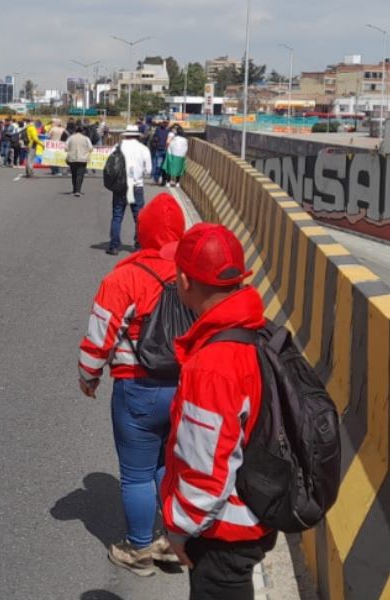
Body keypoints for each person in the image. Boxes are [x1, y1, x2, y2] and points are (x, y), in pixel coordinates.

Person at [159, 223, 275, 600]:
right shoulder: (255, 330)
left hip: (222, 534)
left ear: (185, 281)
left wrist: (179, 529)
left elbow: (205, 472)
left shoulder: (211, 365)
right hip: (252, 519)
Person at [78, 194, 187, 576]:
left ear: (143, 232)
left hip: (138, 387)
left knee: (138, 472)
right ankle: (173, 542)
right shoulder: (193, 272)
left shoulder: (125, 276)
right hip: (186, 388)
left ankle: (139, 549)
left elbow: (99, 336)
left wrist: (88, 375)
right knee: (167, 466)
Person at [108, 125, 152, 256]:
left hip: (120, 186)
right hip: (136, 186)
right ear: (138, 135)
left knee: (117, 216)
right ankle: (138, 245)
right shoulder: (143, 149)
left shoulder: (117, 147)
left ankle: (114, 246)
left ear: (126, 134)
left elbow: (110, 165)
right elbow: (148, 171)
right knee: (139, 218)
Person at [66, 126, 93, 197]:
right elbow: (90, 148)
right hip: (82, 159)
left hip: (72, 158)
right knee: (80, 175)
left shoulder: (70, 138)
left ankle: (74, 190)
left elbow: (66, 148)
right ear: (82, 132)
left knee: (74, 174)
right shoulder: (86, 138)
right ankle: (78, 191)